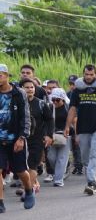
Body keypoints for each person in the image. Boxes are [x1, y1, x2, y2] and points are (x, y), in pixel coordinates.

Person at [64, 64, 96, 195]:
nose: (89, 77)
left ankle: (92, 183)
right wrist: (67, 127)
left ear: (95, 75)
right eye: (86, 74)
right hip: (82, 128)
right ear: (83, 74)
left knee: (94, 155)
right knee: (86, 157)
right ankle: (91, 178)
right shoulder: (77, 91)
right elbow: (72, 110)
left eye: (91, 74)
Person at [0, 64, 35, 212]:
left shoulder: (18, 93)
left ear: (7, 76)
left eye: (0, 75)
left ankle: (28, 190)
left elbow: (25, 117)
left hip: (15, 139)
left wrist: (22, 137)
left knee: (21, 171)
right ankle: (0, 202)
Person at [19, 78, 54, 193]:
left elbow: (49, 120)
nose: (30, 89)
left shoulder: (41, 103)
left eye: (32, 87)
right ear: (21, 89)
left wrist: (49, 135)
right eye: (27, 87)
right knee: (21, 166)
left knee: (32, 164)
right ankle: (33, 184)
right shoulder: (16, 103)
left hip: (37, 139)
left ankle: (26, 190)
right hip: (20, 139)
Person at [46, 88, 72, 187]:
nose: (55, 102)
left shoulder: (68, 108)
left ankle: (58, 179)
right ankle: (61, 171)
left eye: (58, 100)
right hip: (52, 135)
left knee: (62, 158)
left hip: (65, 135)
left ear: (63, 99)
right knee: (51, 157)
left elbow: (74, 120)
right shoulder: (49, 107)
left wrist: (71, 130)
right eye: (53, 99)